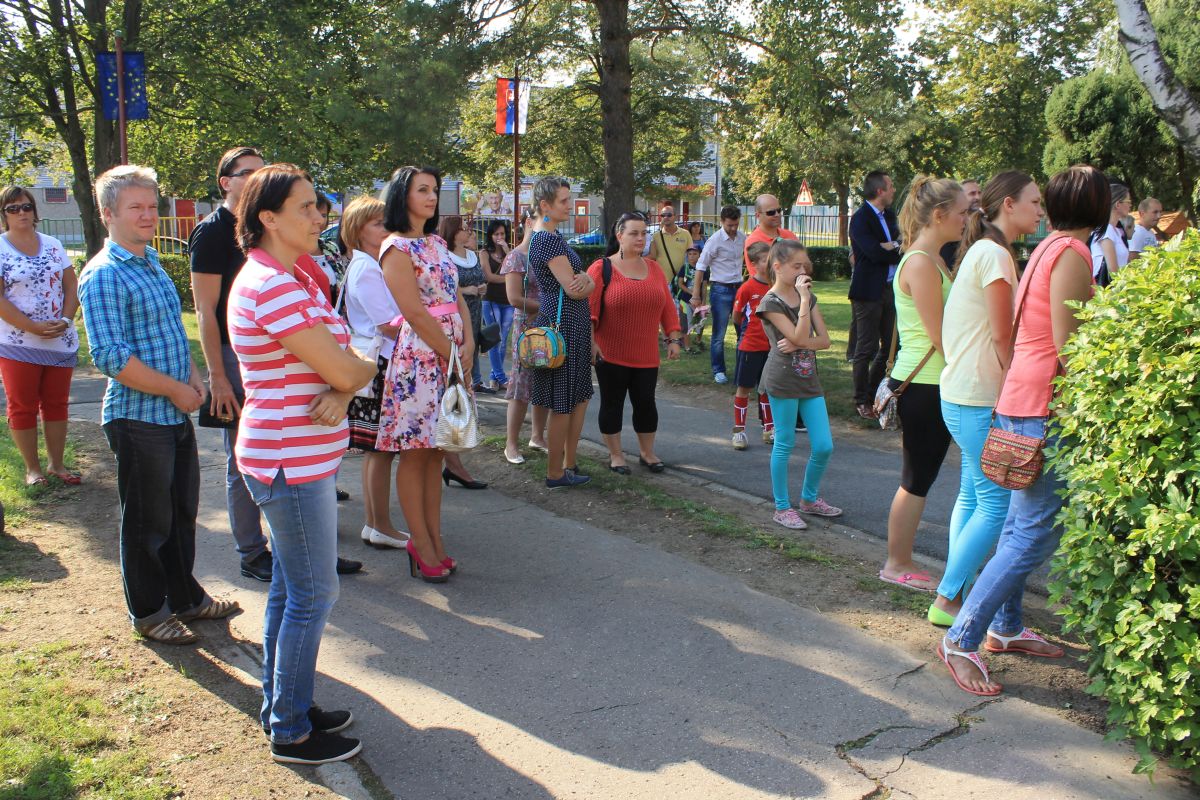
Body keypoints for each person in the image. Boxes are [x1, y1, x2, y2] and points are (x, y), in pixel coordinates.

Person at [937, 165, 1106, 696]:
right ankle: (960, 638)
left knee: (1017, 527)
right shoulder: (1072, 252)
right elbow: (1069, 344)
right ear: (1100, 206)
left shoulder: (1048, 247)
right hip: (1043, 406)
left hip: (1021, 399)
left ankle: (1005, 628)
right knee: (1033, 533)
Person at [228, 163, 376, 763]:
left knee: (292, 590)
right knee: (314, 593)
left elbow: (359, 350)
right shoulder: (273, 286)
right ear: (268, 218)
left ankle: (285, 702)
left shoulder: (296, 278)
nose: (320, 217)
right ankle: (289, 730)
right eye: (307, 208)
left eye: (319, 206)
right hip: (288, 459)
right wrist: (348, 378)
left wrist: (345, 383)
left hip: (299, 455)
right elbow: (350, 361)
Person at [79, 165, 241, 646]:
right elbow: (110, 357)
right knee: (148, 524)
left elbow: (169, 332)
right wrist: (172, 389)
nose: (148, 215)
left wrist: (191, 375)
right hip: (137, 418)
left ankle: (185, 598)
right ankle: (150, 613)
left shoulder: (149, 260)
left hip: (171, 415)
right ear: (108, 213)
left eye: (152, 206)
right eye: (136, 207)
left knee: (179, 515)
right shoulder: (104, 274)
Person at [929, 172, 1044, 627]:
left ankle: (954, 594)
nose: (1041, 211)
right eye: (1035, 202)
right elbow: (1003, 337)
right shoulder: (994, 254)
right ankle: (947, 599)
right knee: (994, 505)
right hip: (977, 396)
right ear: (1008, 204)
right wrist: (1017, 392)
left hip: (961, 392)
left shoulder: (983, 250)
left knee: (973, 496)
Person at [376, 166, 475, 581]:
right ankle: (420, 541)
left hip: (450, 351)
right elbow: (414, 312)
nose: (432, 196)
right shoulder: (395, 248)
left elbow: (457, 297)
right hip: (421, 357)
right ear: (403, 196)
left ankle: (434, 540)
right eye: (422, 189)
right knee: (416, 453)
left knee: (438, 451)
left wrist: (469, 343)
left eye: (434, 189)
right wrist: (450, 352)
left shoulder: (436, 242)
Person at [878, 177, 968, 592]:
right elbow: (940, 335)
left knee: (921, 476)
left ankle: (901, 559)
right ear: (939, 214)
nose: (967, 219)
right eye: (962, 212)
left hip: (932, 381)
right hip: (925, 384)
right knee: (916, 478)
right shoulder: (921, 263)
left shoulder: (930, 258)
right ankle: (896, 563)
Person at [189, 147, 273, 581]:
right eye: (249, 173)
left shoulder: (264, 224)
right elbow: (205, 310)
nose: (259, 178)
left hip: (274, 353)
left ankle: (300, 546)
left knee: (285, 453)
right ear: (226, 182)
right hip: (231, 356)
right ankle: (252, 551)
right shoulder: (211, 231)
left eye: (264, 171)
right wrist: (217, 377)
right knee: (242, 458)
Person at [756, 239, 841, 529]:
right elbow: (803, 335)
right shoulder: (770, 303)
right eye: (796, 266)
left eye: (805, 266)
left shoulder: (808, 297)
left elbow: (823, 340)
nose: (803, 272)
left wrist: (800, 340)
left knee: (824, 445)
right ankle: (782, 507)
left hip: (808, 380)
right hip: (782, 379)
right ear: (778, 267)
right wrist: (804, 304)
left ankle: (809, 499)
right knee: (785, 443)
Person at [339, 195, 409, 551]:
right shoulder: (366, 268)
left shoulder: (367, 263)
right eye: (378, 224)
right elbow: (387, 323)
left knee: (376, 449)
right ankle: (380, 524)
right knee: (381, 449)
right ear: (358, 229)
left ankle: (375, 523)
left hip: (377, 360)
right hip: (380, 362)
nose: (386, 228)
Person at [588, 212, 681, 474]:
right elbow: (589, 311)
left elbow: (667, 308)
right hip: (610, 353)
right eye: (634, 233)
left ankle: (647, 452)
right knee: (612, 404)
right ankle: (616, 455)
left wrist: (673, 337)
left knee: (646, 403)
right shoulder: (601, 268)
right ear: (620, 235)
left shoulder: (654, 269)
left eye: (644, 233)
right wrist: (591, 342)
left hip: (646, 354)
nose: (641, 238)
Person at [0, 186, 80, 487]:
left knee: (57, 404)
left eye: (26, 206)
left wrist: (66, 319)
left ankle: (56, 465)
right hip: (18, 344)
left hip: (59, 340)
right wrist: (31, 326)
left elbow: (71, 286)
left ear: (34, 210)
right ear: (4, 215)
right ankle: (32, 470)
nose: (21, 213)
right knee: (23, 406)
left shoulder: (53, 244)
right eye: (13, 208)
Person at [528, 176, 596, 488]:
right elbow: (574, 288)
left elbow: (578, 282)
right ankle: (556, 471)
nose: (570, 205)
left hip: (568, 323)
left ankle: (567, 464)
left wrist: (586, 280)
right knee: (564, 400)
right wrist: (589, 281)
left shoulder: (548, 236)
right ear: (545, 205)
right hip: (563, 325)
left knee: (576, 397)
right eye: (564, 200)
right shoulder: (548, 240)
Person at [848, 171, 902, 419]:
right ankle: (861, 400)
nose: (894, 190)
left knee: (891, 346)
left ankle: (874, 393)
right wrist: (892, 248)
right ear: (880, 190)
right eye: (890, 186)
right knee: (865, 348)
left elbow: (902, 245)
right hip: (867, 291)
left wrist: (892, 246)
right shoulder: (860, 219)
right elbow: (873, 253)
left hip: (890, 289)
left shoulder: (890, 216)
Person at [501, 210, 550, 464]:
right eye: (544, 221)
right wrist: (545, 307)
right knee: (521, 384)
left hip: (547, 325)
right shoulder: (516, 257)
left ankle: (537, 437)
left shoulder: (547, 255)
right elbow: (513, 298)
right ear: (528, 223)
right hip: (526, 326)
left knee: (543, 379)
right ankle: (511, 444)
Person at [691, 206, 747, 384]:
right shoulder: (714, 240)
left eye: (736, 224)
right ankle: (719, 370)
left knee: (743, 332)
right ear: (722, 222)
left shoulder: (742, 238)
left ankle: (742, 370)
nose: (733, 228)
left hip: (739, 289)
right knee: (719, 334)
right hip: (720, 290)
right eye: (729, 225)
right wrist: (696, 295)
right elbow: (701, 267)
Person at [729, 241, 775, 450]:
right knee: (744, 388)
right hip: (750, 346)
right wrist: (746, 335)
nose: (770, 263)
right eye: (765, 260)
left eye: (771, 259)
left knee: (766, 388)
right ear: (754, 264)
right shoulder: (747, 288)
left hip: (771, 348)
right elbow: (736, 317)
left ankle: (769, 428)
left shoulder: (776, 285)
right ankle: (739, 432)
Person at [440, 216, 490, 395]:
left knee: (472, 347)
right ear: (453, 233)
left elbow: (480, 277)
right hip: (456, 313)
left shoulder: (471, 255)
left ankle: (470, 388)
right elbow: (443, 286)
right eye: (464, 228)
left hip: (475, 310)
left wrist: (482, 287)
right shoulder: (445, 257)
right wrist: (465, 290)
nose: (469, 231)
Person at [481, 219, 514, 391]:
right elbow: (489, 277)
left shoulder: (510, 252)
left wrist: (508, 252)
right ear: (490, 235)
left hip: (508, 300)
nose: (500, 237)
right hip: (491, 299)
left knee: (503, 340)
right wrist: (509, 279)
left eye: (502, 234)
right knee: (495, 338)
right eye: (496, 234)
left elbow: (516, 269)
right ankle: (501, 377)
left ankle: (495, 378)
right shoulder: (484, 253)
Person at [743, 193, 797, 272]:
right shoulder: (753, 242)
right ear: (758, 215)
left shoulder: (790, 235)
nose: (777, 214)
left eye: (779, 210)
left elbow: (804, 264)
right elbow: (760, 275)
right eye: (771, 212)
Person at [1090, 183, 1131, 285]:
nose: (1130, 205)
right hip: (1108, 289)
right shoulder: (1106, 230)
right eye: (1128, 202)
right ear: (1118, 205)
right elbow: (1113, 270)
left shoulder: (1116, 231)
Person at [939, 179, 982, 267]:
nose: (978, 197)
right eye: (972, 193)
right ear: (961, 197)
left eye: (979, 193)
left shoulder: (986, 224)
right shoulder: (952, 228)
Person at [648, 203, 692, 288]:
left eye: (669, 215)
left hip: (681, 281)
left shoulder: (685, 234)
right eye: (663, 215)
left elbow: (691, 255)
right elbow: (652, 256)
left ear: (675, 216)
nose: (665, 217)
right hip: (662, 281)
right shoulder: (656, 236)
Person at [676, 246, 700, 352]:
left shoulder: (703, 268)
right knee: (685, 324)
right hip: (684, 301)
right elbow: (680, 283)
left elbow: (704, 286)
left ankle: (698, 342)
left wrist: (703, 300)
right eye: (689, 254)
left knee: (699, 323)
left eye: (695, 254)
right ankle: (687, 347)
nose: (692, 256)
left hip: (698, 302)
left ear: (700, 255)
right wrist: (691, 292)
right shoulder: (684, 267)